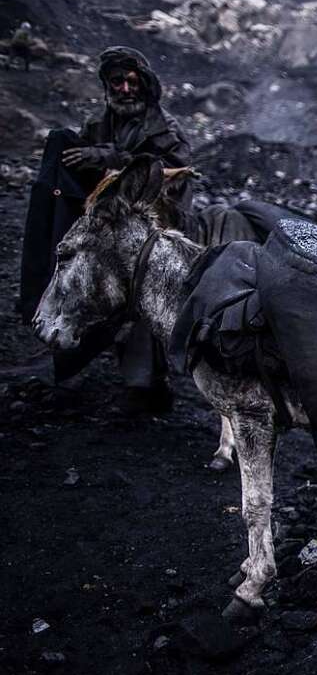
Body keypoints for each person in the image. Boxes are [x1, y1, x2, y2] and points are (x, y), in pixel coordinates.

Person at [19, 46, 191, 412]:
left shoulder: (166, 132)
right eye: (117, 81)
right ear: (107, 85)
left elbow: (173, 180)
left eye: (132, 81)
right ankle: (72, 361)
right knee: (97, 293)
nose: (125, 88)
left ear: (145, 86)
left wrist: (113, 159)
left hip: (153, 229)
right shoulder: (99, 126)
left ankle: (146, 389)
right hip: (108, 227)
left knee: (144, 302)